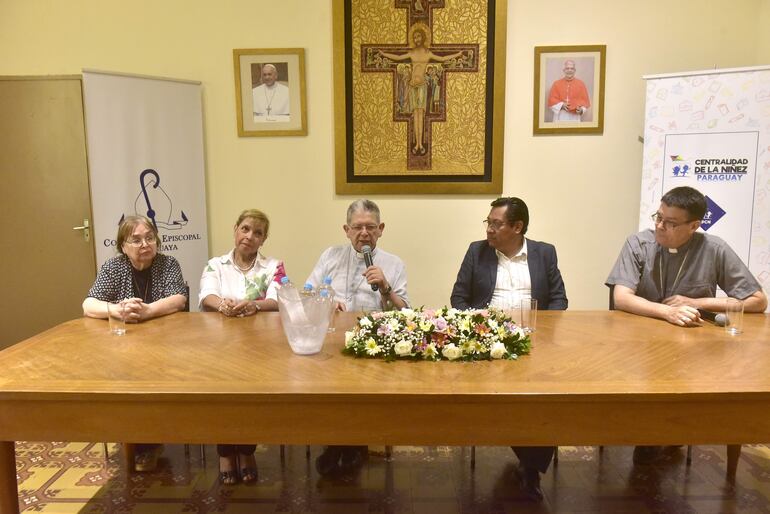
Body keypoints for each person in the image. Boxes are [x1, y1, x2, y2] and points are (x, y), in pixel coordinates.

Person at [606, 185, 767, 464]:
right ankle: (648, 440)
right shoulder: (638, 243)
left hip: (693, 353)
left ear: (694, 226)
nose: (660, 226)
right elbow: (621, 297)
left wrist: (699, 302)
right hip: (638, 349)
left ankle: (676, 434)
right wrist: (666, 312)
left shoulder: (714, 248)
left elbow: (757, 301)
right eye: (658, 217)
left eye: (670, 223)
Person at [450, 197, 567, 501]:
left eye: (496, 223)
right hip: (487, 344)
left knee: (546, 399)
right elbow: (458, 299)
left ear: (518, 227)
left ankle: (531, 468)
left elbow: (559, 300)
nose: (489, 229)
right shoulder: (477, 251)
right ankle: (527, 461)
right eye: (488, 222)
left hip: (533, 344)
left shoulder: (544, 253)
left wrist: (543, 336)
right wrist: (480, 328)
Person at [307, 199, 409, 476]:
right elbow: (308, 293)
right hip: (332, 342)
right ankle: (337, 444)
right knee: (325, 389)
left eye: (370, 227)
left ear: (381, 229)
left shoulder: (394, 263)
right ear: (346, 229)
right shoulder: (330, 255)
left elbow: (406, 312)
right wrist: (327, 302)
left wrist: (386, 288)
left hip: (372, 344)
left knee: (361, 390)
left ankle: (351, 445)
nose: (364, 233)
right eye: (357, 227)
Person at [82, 215, 187, 472]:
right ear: (123, 246)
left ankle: (149, 440)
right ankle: (136, 438)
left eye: (149, 238)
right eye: (136, 240)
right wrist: (119, 310)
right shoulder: (113, 267)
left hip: (165, 345)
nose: (145, 245)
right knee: (125, 378)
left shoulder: (168, 263)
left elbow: (179, 299)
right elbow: (88, 305)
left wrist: (147, 311)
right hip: (124, 346)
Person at [199, 208, 286, 484]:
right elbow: (207, 295)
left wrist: (254, 305)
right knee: (220, 400)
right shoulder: (216, 264)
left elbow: (278, 300)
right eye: (245, 229)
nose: (249, 236)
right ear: (235, 229)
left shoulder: (274, 266)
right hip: (219, 348)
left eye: (257, 233)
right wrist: (224, 305)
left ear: (264, 239)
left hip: (259, 348)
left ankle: (247, 452)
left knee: (250, 401)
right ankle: (225, 453)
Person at [378, 24, 464, 154]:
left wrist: (457, 54)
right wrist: (384, 54)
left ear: (423, 38)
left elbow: (442, 58)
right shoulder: (412, 52)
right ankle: (417, 143)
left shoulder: (427, 53)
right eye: (414, 37)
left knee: (421, 115)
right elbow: (398, 57)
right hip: (413, 86)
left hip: (422, 86)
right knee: (416, 115)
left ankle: (420, 143)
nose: (416, 39)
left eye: (418, 36)